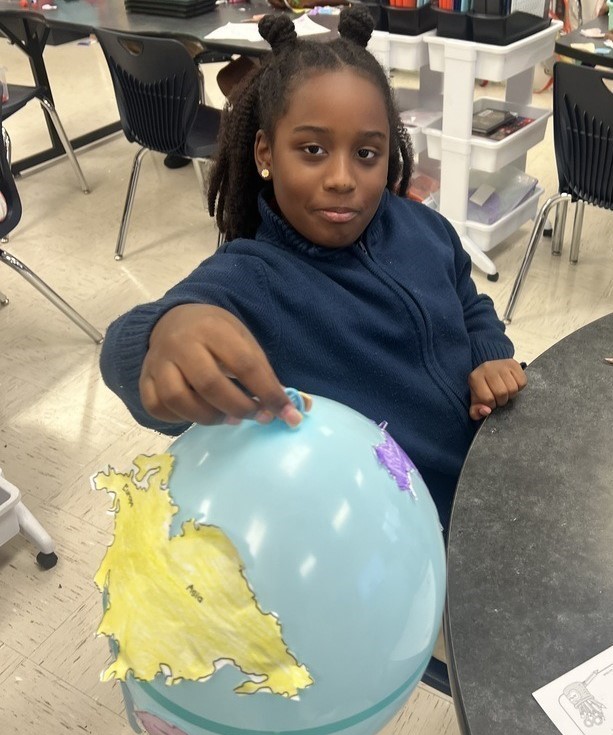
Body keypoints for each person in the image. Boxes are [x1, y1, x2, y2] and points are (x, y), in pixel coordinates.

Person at [100, 6, 527, 533]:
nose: (343, 178)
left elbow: (467, 300)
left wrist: (488, 357)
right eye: (313, 150)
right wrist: (160, 337)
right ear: (265, 153)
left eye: (367, 153)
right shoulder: (252, 278)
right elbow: (127, 351)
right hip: (402, 527)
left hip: (492, 467)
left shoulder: (420, 225)